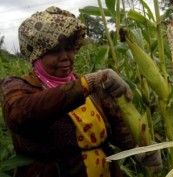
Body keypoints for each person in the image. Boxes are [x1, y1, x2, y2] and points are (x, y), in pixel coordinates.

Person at [1, 6, 162, 177]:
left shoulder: (88, 85)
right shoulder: (18, 86)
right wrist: (88, 83)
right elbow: (20, 114)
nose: (65, 56)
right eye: (54, 51)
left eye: (69, 48)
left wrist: (136, 149)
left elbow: (116, 124)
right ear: (36, 56)